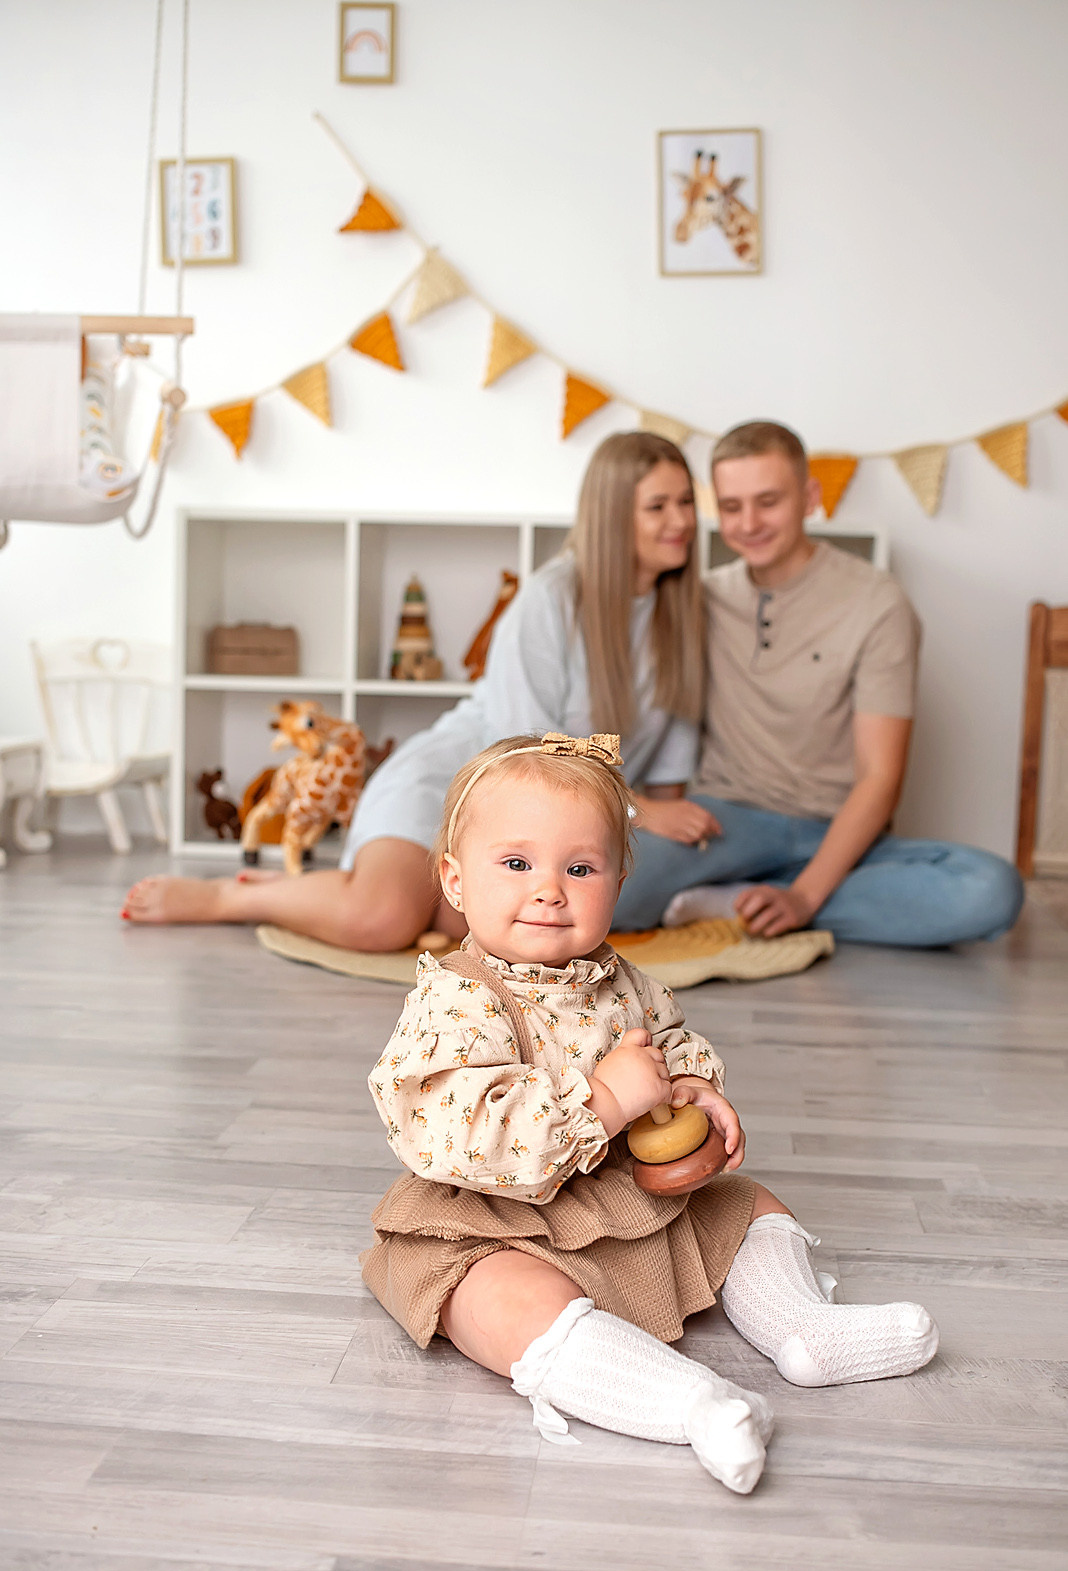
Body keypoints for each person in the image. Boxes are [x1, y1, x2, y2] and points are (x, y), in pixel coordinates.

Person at [363, 733, 940, 1494]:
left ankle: (805, 1327)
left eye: (580, 868)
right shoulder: (456, 1001)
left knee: (746, 1203)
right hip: (494, 1214)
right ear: (455, 879)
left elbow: (672, 1043)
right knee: (496, 1300)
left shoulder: (621, 980)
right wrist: (603, 1102)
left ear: (619, 879)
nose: (549, 890)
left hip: (621, 1187)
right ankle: (690, 1402)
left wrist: (694, 1090)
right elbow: (459, 1130)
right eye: (516, 864)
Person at [122, 432, 718, 946]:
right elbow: (525, 751)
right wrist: (639, 809)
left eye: (687, 502)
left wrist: (653, 817)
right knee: (381, 921)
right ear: (613, 515)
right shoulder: (551, 599)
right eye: (658, 506)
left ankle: (336, 890)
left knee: (479, 922)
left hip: (545, 825)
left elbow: (668, 774)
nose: (682, 522)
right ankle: (236, 896)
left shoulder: (683, 617)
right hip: (462, 778)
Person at [614, 420, 1025, 945]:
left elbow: (881, 777)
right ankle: (760, 892)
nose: (750, 523)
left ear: (810, 497)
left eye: (769, 501)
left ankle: (745, 899)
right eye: (732, 506)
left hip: (837, 829)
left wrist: (806, 894)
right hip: (725, 823)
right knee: (603, 887)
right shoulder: (699, 598)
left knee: (991, 890)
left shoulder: (877, 603)